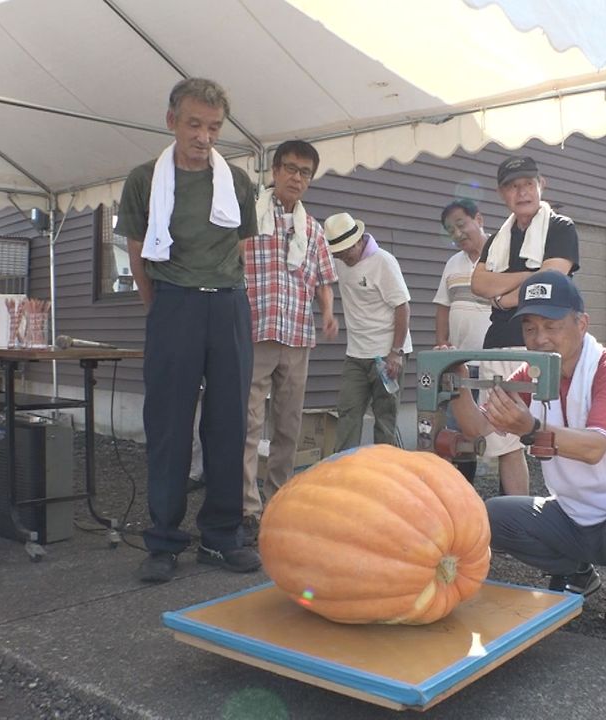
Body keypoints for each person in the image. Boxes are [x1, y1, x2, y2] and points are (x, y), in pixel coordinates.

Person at [450, 270, 606, 633]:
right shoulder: (531, 373)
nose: (540, 338)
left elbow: (593, 448)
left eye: (551, 326)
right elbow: (479, 428)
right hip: (570, 513)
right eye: (530, 328)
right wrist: (455, 383)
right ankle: (576, 572)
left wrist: (532, 428)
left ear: (581, 323)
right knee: (493, 516)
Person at [118, 78, 261, 582]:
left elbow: (240, 248)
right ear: (172, 121)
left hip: (228, 304)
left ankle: (221, 537)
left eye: (214, 127)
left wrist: (224, 296)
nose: (204, 137)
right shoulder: (143, 179)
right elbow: (137, 252)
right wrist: (160, 307)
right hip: (173, 303)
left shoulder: (237, 181)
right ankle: (163, 539)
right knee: (169, 425)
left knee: (229, 424)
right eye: (194, 124)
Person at [240, 140, 338, 545]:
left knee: (288, 425)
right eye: (291, 169)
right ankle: (247, 508)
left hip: (297, 334)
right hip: (255, 331)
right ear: (276, 171)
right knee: (248, 423)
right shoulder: (249, 216)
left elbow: (323, 278)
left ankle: (278, 501)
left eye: (305, 173)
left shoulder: (312, 228)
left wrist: (328, 313)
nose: (297, 178)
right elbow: (230, 264)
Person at [469, 155, 580, 496]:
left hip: (545, 343)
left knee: (554, 433)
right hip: (499, 341)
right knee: (504, 437)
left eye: (528, 184)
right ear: (502, 193)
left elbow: (552, 280)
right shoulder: (497, 240)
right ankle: (516, 511)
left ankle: (570, 507)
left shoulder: (560, 227)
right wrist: (532, 276)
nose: (522, 192)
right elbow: (479, 284)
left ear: (541, 185)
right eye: (513, 186)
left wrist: (503, 296)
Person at [324, 212, 412, 451]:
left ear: (358, 241)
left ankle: (384, 470)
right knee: (347, 413)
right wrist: (329, 314)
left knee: (385, 418)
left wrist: (396, 352)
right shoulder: (340, 261)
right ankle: (344, 468)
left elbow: (402, 307)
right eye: (337, 254)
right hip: (356, 354)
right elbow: (324, 283)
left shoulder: (383, 261)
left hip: (387, 353)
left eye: (345, 252)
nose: (343, 258)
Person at [432, 199, 493, 483]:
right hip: (461, 365)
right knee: (459, 433)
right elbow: (443, 307)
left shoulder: (503, 255)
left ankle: (507, 496)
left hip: (496, 363)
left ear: (478, 220)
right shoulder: (452, 263)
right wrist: (442, 345)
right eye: (450, 231)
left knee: (501, 435)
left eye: (461, 225)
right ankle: (464, 489)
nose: (457, 234)